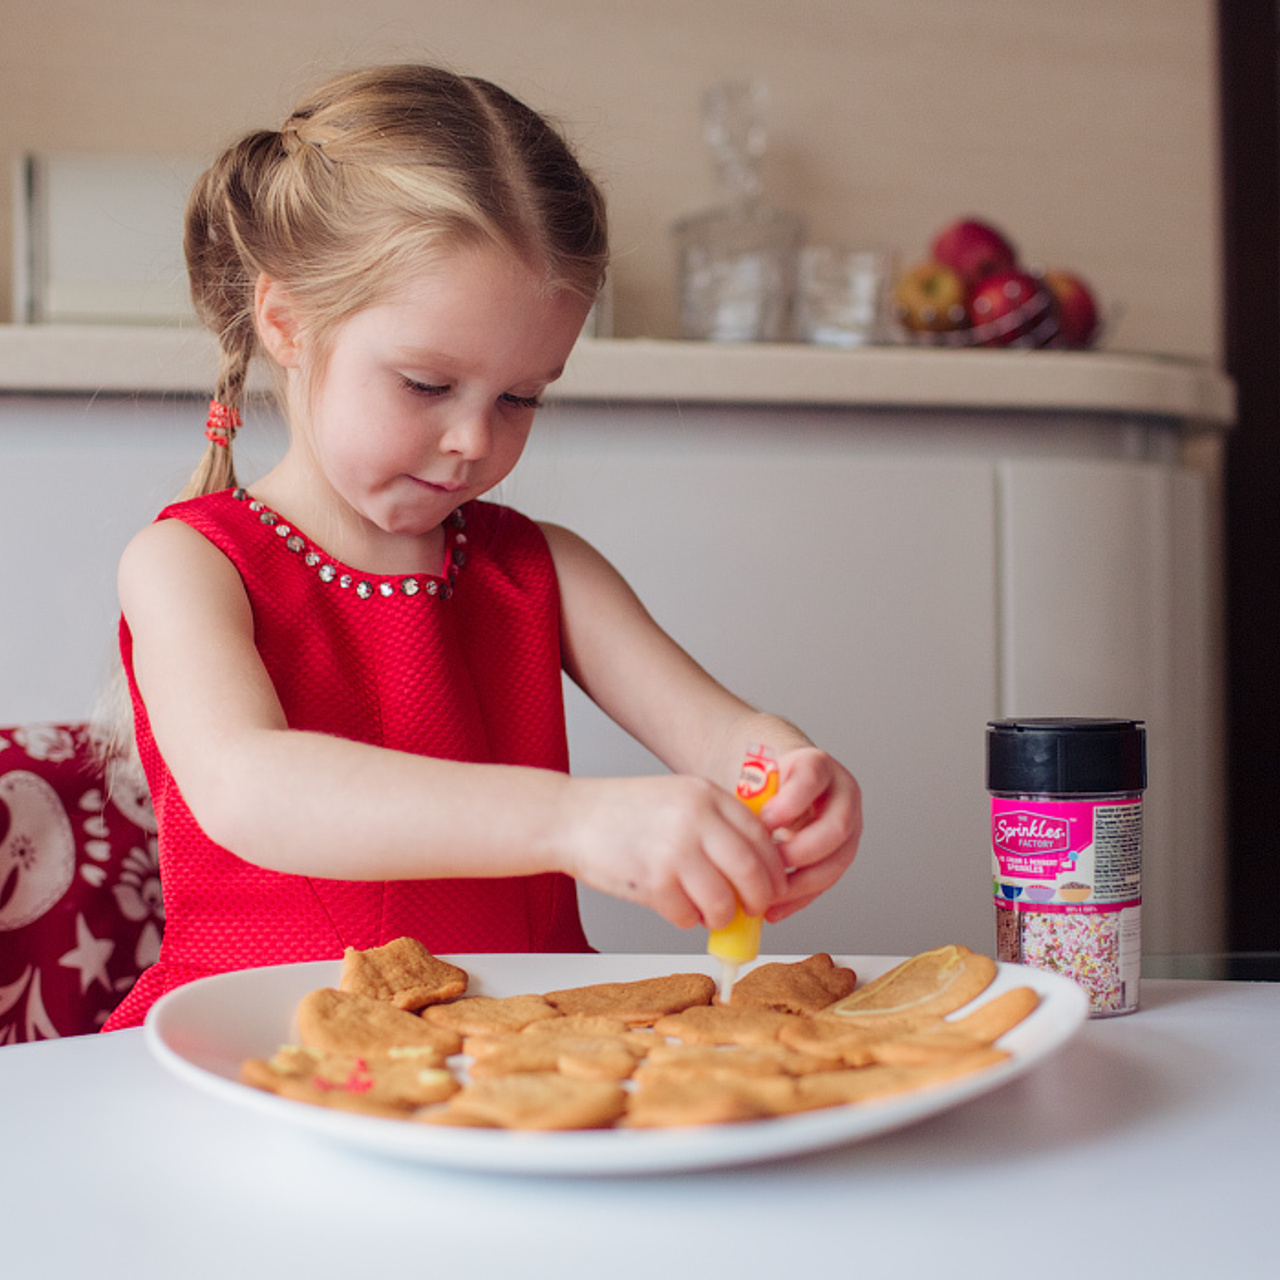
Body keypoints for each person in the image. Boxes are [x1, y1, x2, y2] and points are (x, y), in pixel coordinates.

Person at [101, 64, 861, 1031]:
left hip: (522, 1050)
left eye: (521, 397)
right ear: (286, 322)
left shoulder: (544, 571)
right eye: (426, 384)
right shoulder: (188, 565)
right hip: (255, 1048)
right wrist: (577, 822)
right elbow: (252, 789)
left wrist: (790, 775)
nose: (475, 441)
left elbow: (722, 738)